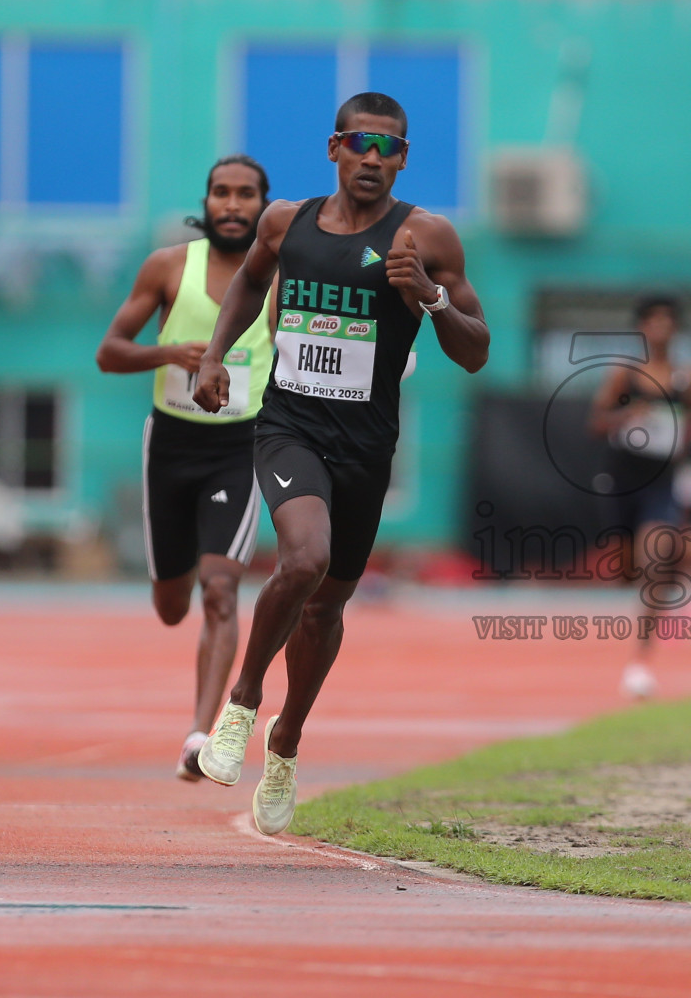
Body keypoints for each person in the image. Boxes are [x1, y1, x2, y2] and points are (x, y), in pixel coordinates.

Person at [191, 92, 488, 835]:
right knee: (303, 559)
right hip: (288, 426)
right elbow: (253, 279)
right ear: (335, 148)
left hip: (365, 446)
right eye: (362, 143)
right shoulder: (284, 221)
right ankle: (242, 703)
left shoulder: (426, 236)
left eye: (390, 148)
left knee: (327, 604)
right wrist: (215, 354)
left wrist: (430, 297)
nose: (375, 158)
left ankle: (286, 739)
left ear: (405, 159)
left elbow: (477, 349)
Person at [95, 155, 275, 781]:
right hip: (171, 447)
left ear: (263, 205)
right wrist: (171, 351)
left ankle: (200, 737)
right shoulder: (170, 266)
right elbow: (108, 353)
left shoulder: (281, 276)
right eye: (221, 193)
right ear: (207, 202)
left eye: (245, 194)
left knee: (220, 589)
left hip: (241, 447)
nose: (232, 204)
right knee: (172, 604)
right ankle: (173, 598)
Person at [588, 297, 691, 699]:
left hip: (662, 480)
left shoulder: (688, 376)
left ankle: (640, 661)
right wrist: (627, 416)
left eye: (668, 321)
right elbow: (596, 422)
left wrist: (689, 450)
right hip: (622, 478)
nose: (661, 328)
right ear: (641, 328)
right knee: (626, 570)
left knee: (656, 562)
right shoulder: (626, 374)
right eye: (653, 321)